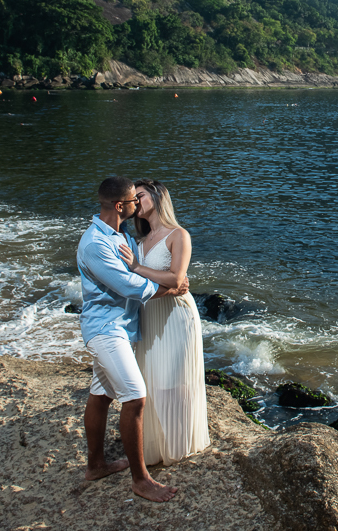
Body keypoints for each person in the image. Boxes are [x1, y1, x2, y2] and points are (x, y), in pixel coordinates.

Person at [78, 176, 188, 501]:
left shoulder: (118, 233)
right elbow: (129, 286)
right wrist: (172, 288)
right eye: (131, 201)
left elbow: (134, 273)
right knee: (135, 397)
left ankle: (96, 464)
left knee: (100, 394)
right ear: (119, 206)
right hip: (105, 329)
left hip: (121, 328)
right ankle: (141, 481)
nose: (136, 205)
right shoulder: (96, 244)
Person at [120, 178, 210, 465]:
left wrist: (137, 266)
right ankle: (157, 446)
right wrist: (138, 268)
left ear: (158, 198)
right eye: (133, 198)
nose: (135, 202)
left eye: (141, 196)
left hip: (176, 316)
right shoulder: (138, 242)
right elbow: (136, 282)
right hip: (150, 315)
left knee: (176, 379)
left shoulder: (178, 234)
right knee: (153, 380)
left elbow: (176, 278)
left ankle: (179, 444)